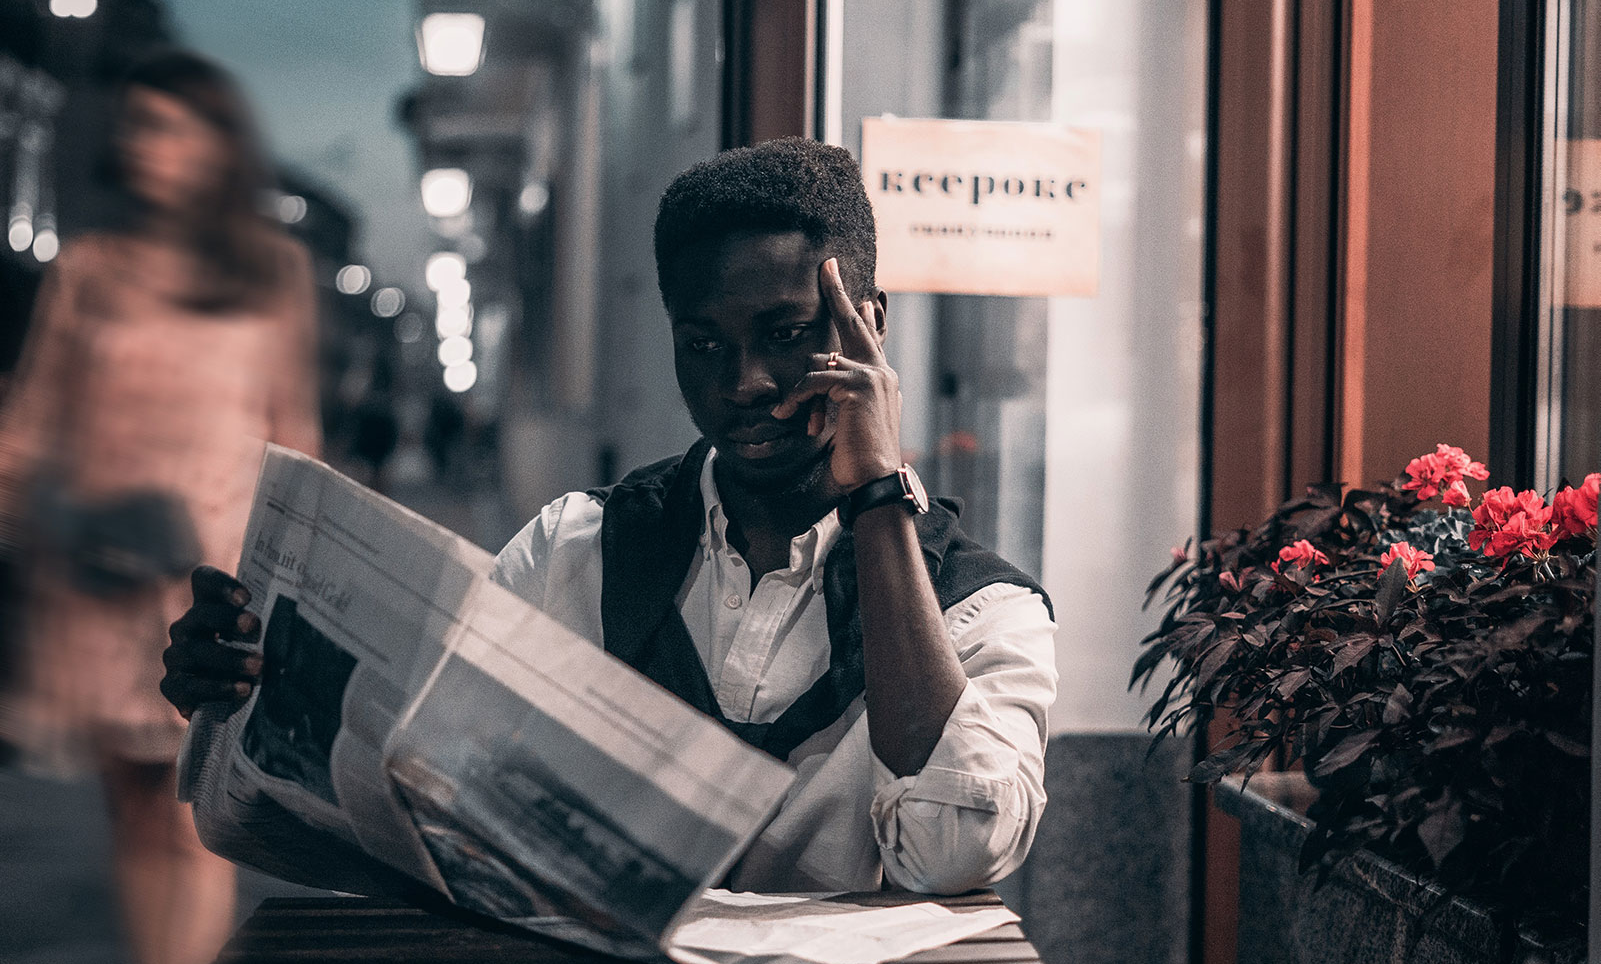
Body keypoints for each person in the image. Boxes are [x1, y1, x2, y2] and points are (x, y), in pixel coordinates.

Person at [162, 137, 1056, 900]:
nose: (743, 383)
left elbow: (953, 855)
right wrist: (251, 686)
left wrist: (876, 499)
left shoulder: (985, 608)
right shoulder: (577, 549)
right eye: (703, 346)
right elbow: (416, 773)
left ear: (867, 327)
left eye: (785, 334)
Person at [0, 49, 322, 964]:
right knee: (135, 816)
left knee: (196, 818)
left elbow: (290, 432)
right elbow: (35, 421)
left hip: (210, 584)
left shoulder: (270, 272)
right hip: (97, 583)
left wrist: (300, 577)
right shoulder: (91, 269)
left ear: (219, 146)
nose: (147, 148)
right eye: (136, 127)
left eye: (169, 128)